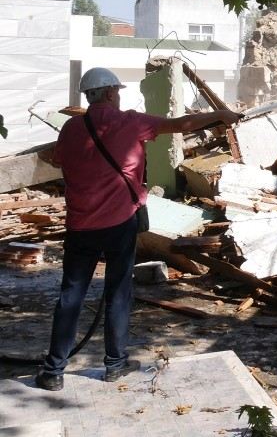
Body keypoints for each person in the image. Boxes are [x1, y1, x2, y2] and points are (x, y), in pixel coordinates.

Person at [34, 67, 241, 391]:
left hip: (80, 226)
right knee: (117, 292)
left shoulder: (72, 128)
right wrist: (221, 115)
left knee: (70, 295)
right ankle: (114, 365)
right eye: (117, 91)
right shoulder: (130, 122)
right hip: (119, 224)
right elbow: (181, 125)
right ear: (110, 94)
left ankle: (53, 372)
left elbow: (56, 160)